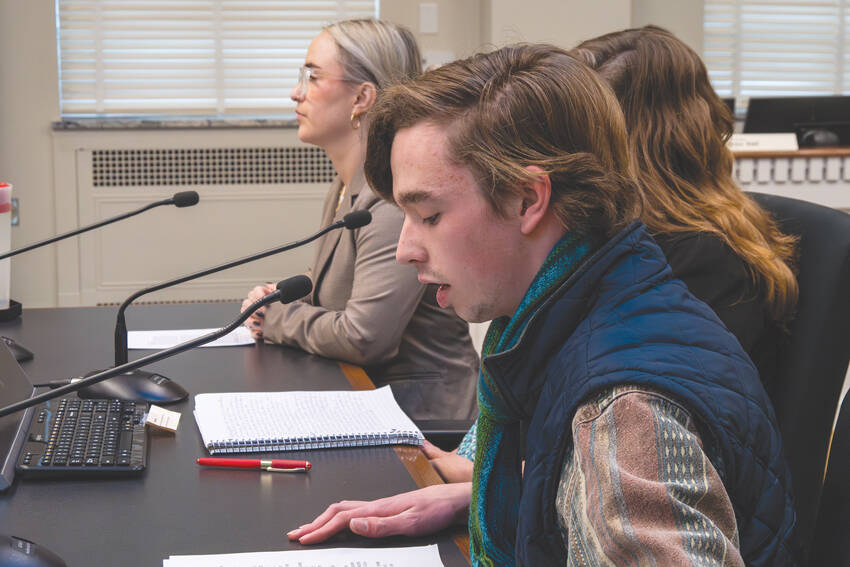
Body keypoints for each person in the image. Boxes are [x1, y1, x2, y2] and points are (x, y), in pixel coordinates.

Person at [287, 44, 800, 565]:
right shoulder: (572, 310)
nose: (405, 250)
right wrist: (489, 495)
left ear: (528, 200)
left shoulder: (622, 413)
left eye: (431, 216)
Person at [424, 24, 803, 484]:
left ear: (617, 135)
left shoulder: (689, 264)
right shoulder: (619, 249)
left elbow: (647, 448)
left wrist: (476, 484)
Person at [242, 19, 478, 421]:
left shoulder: (389, 200)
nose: (296, 92)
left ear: (362, 97)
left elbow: (365, 336)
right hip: (365, 396)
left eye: (313, 78)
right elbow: (336, 295)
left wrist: (275, 316)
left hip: (420, 420)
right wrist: (284, 295)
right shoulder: (346, 187)